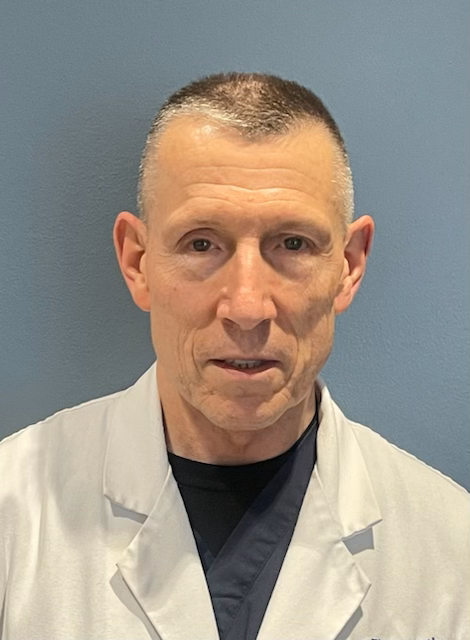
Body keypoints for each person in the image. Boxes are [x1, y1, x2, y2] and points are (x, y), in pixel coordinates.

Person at [0, 72, 468, 640]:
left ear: (348, 266)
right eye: (201, 243)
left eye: (292, 244)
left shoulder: (450, 548)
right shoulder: (13, 511)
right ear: (137, 261)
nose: (247, 307)